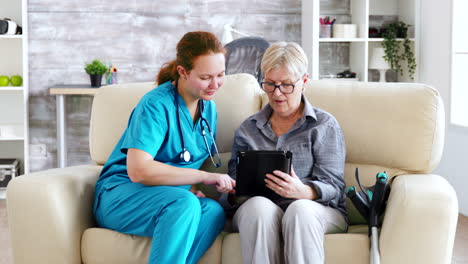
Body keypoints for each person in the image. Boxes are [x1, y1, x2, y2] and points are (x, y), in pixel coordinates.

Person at [93, 31, 236, 264]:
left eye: (220, 75)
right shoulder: (155, 106)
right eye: (205, 77)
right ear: (183, 71)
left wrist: (187, 188)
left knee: (212, 211)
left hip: (166, 197)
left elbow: (182, 159)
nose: (215, 84)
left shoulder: (209, 110)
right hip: (121, 195)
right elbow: (138, 171)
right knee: (184, 203)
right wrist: (202, 177)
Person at [226, 42, 348, 264]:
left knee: (299, 210)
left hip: (315, 210)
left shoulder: (324, 125)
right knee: (257, 207)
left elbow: (335, 188)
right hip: (260, 209)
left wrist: (303, 191)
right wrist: (233, 190)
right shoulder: (248, 129)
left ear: (304, 82)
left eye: (287, 85)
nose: (277, 93)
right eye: (270, 84)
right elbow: (233, 187)